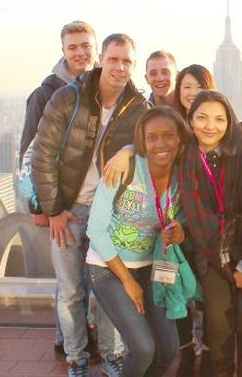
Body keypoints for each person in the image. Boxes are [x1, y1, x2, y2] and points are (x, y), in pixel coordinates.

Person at [32, 33, 150, 376]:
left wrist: (128, 150)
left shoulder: (138, 107)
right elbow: (42, 155)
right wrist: (53, 209)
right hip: (68, 211)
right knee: (71, 291)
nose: (120, 67)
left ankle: (112, 356)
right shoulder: (68, 97)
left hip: (109, 216)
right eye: (113, 59)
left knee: (109, 291)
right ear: (101, 59)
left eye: (127, 61)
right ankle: (77, 359)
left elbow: (150, 146)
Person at [86, 106, 191, 376]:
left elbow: (182, 217)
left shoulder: (183, 175)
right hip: (109, 269)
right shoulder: (124, 169)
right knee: (143, 349)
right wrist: (128, 281)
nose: (160, 144)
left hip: (151, 268)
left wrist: (179, 230)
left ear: (180, 138)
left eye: (168, 136)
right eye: (151, 137)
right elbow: (95, 229)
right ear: (142, 141)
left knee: (169, 349)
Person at [18, 20, 98, 360]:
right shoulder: (46, 93)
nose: (80, 52)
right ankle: (66, 340)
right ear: (63, 51)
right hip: (60, 203)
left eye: (85, 45)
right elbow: (29, 151)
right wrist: (39, 207)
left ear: (95, 48)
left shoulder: (105, 86)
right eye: (72, 47)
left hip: (97, 202)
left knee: (92, 277)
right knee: (69, 281)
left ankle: (83, 334)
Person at [179, 90, 242, 377]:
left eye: (219, 119)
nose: (210, 126)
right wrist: (229, 267)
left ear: (229, 122)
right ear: (190, 120)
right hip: (212, 258)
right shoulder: (186, 157)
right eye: (202, 118)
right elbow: (199, 219)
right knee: (219, 331)